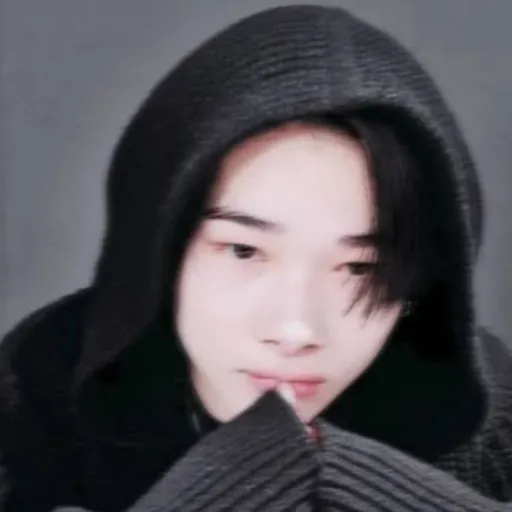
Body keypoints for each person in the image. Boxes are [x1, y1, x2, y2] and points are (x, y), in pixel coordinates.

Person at [1, 4, 512, 511]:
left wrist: (352, 473)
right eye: (243, 250)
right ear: (160, 249)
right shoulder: (37, 384)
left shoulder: (492, 418)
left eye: (360, 268)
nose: (295, 331)